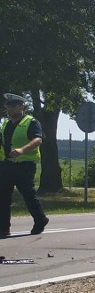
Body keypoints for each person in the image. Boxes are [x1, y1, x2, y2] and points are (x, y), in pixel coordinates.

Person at [0, 93, 49, 237]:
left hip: (24, 165)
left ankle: (40, 220)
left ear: (22, 106)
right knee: (3, 197)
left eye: (13, 106)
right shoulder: (6, 123)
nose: (9, 109)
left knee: (28, 194)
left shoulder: (31, 122)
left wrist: (22, 150)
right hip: (6, 165)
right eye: (7, 106)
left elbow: (38, 140)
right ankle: (3, 228)